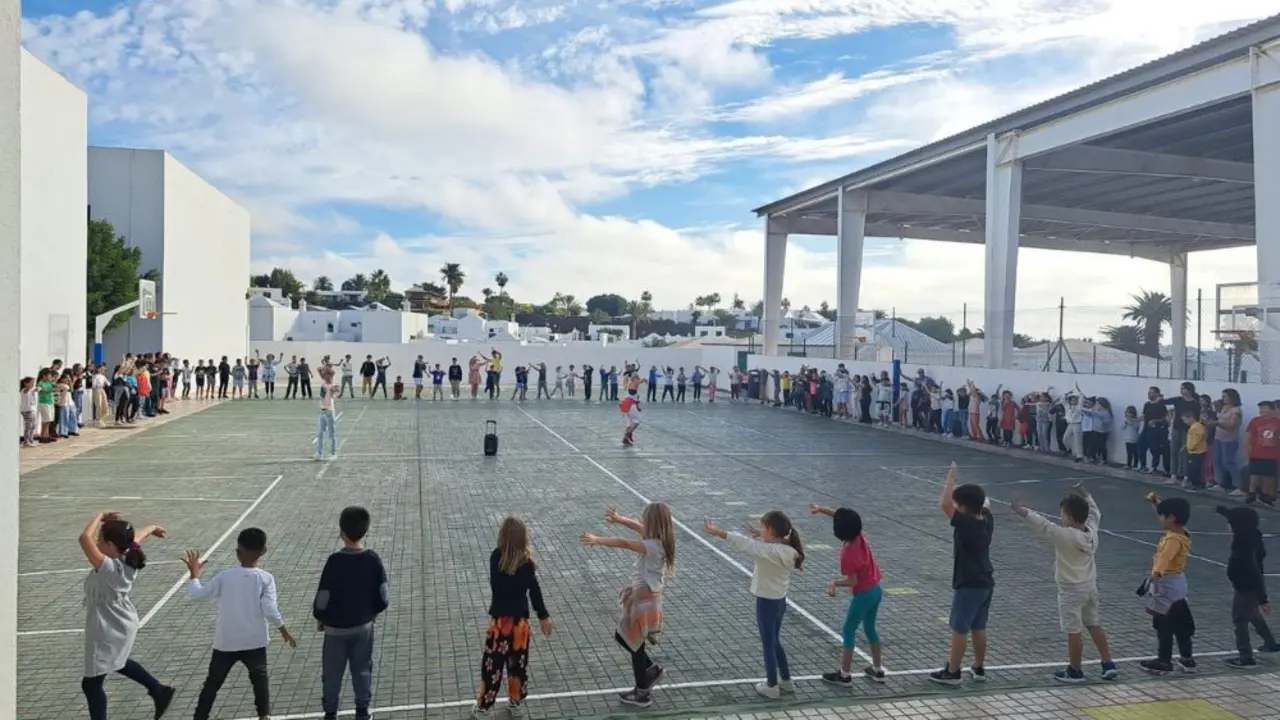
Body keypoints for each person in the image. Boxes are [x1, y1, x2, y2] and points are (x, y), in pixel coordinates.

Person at [186, 529, 297, 720]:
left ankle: (200, 717)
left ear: (238, 552)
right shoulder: (266, 578)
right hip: (254, 640)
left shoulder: (225, 577)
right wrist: (283, 630)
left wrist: (194, 575)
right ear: (263, 551)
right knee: (259, 680)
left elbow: (198, 594)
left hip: (226, 642)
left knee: (212, 683)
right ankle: (264, 715)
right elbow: (269, 608)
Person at [1012, 484, 1117, 682]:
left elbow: (1043, 525)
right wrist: (1085, 492)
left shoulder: (1065, 535)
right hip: (1090, 586)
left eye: (1062, 514)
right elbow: (1095, 511)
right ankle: (1108, 663)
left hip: (1070, 590)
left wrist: (1021, 511)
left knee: (1073, 630)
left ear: (1069, 517)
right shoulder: (1092, 531)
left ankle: (1075, 670)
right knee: (1094, 624)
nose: (1060, 518)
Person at [78, 511, 175, 720]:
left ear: (111, 545)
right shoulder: (128, 556)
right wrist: (152, 527)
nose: (96, 542)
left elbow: (84, 538)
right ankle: (158, 690)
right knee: (117, 661)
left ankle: (158, 690)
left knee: (91, 684)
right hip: (120, 620)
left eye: (100, 540)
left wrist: (100, 515)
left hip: (106, 627)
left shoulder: (109, 567)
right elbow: (136, 537)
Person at [580, 504, 676, 709]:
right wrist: (619, 519)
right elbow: (637, 527)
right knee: (625, 638)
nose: (642, 522)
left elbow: (624, 543)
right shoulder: (658, 540)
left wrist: (598, 540)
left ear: (653, 524)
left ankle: (642, 693)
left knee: (634, 643)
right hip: (646, 598)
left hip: (644, 601)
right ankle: (651, 670)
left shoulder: (652, 546)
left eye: (645, 519)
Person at [704, 512, 804, 698]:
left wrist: (719, 532)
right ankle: (786, 680)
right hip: (780, 602)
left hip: (766, 603)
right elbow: (770, 545)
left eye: (763, 527)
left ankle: (772, 686)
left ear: (771, 529)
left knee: (768, 644)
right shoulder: (790, 551)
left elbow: (744, 543)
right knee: (775, 641)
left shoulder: (767, 551)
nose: (760, 530)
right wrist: (762, 536)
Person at [471, 518, 554, 718]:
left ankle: (484, 706)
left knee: (492, 665)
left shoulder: (496, 558)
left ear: (503, 536)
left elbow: (496, 588)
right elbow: (535, 592)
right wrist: (543, 616)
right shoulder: (528, 564)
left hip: (500, 623)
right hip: (520, 624)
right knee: (518, 665)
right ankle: (516, 703)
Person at [314, 507, 389, 720]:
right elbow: (383, 595)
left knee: (332, 673)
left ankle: (330, 712)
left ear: (342, 532)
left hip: (335, 631)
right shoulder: (373, 560)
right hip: (363, 627)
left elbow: (323, 597)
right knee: (362, 669)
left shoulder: (334, 561)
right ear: (365, 531)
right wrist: (373, 613)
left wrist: (321, 617)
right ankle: (362, 711)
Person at [931, 462, 994, 686]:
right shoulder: (987, 519)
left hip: (968, 584)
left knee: (959, 629)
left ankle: (953, 671)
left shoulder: (967, 524)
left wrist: (951, 477)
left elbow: (944, 503)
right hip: (985, 581)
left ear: (965, 508)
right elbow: (983, 502)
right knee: (979, 626)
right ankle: (978, 666)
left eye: (959, 504)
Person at [810, 503, 885, 684]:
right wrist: (821, 510)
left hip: (863, 595)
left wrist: (834, 583)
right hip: (876, 590)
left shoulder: (847, 554)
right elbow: (841, 516)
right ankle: (877, 669)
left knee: (848, 631)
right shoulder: (860, 536)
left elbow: (853, 581)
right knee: (870, 629)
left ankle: (844, 674)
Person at [1216, 505, 1280, 668]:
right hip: (1248, 586)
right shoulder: (1251, 537)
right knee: (1253, 615)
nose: (1228, 526)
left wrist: (1262, 598)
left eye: (1231, 523)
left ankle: (1246, 657)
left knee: (1240, 619)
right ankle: (1270, 643)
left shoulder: (1244, 546)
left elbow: (1254, 571)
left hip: (1246, 586)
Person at [1139, 493, 1196, 674]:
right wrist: (1157, 504)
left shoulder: (1171, 540)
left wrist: (1156, 573)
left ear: (1171, 518)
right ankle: (1187, 658)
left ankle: (1164, 660)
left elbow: (1164, 557)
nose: (1161, 519)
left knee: (1163, 623)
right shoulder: (1183, 534)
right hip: (1179, 583)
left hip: (1166, 584)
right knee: (1181, 621)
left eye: (1163, 516)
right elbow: (1172, 518)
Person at [1245, 400, 1280, 506]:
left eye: (1265, 408)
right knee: (1255, 473)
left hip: (1272, 454)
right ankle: (1252, 493)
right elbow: (1249, 436)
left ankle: (1266, 495)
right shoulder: (1255, 421)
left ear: (1272, 410)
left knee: (1269, 475)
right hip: (1257, 452)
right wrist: (1247, 450)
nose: (1262, 411)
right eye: (1261, 409)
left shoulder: (1277, 422)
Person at [315, 373, 339, 461]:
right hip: (322, 411)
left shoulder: (333, 386)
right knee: (320, 433)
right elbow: (319, 370)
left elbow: (336, 390)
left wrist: (334, 390)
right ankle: (319, 453)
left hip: (329, 411)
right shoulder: (323, 384)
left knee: (332, 434)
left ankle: (334, 453)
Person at [1184, 409, 1208, 490]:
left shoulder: (1196, 427)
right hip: (1195, 451)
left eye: (1185, 419)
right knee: (1193, 469)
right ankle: (1196, 484)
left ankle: (1197, 485)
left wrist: (1190, 447)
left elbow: (1196, 439)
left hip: (1196, 452)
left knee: (1194, 470)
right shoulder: (1195, 427)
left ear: (1191, 418)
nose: (1185, 422)